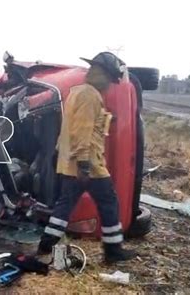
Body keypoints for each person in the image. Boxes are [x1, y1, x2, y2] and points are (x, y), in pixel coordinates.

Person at [37, 52, 137, 264]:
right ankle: (113, 250)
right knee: (109, 202)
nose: (111, 84)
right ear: (102, 74)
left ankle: (46, 244)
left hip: (72, 162)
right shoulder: (90, 95)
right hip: (88, 164)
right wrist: (84, 164)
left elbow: (78, 125)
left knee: (64, 205)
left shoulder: (78, 92)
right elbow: (82, 131)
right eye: (110, 79)